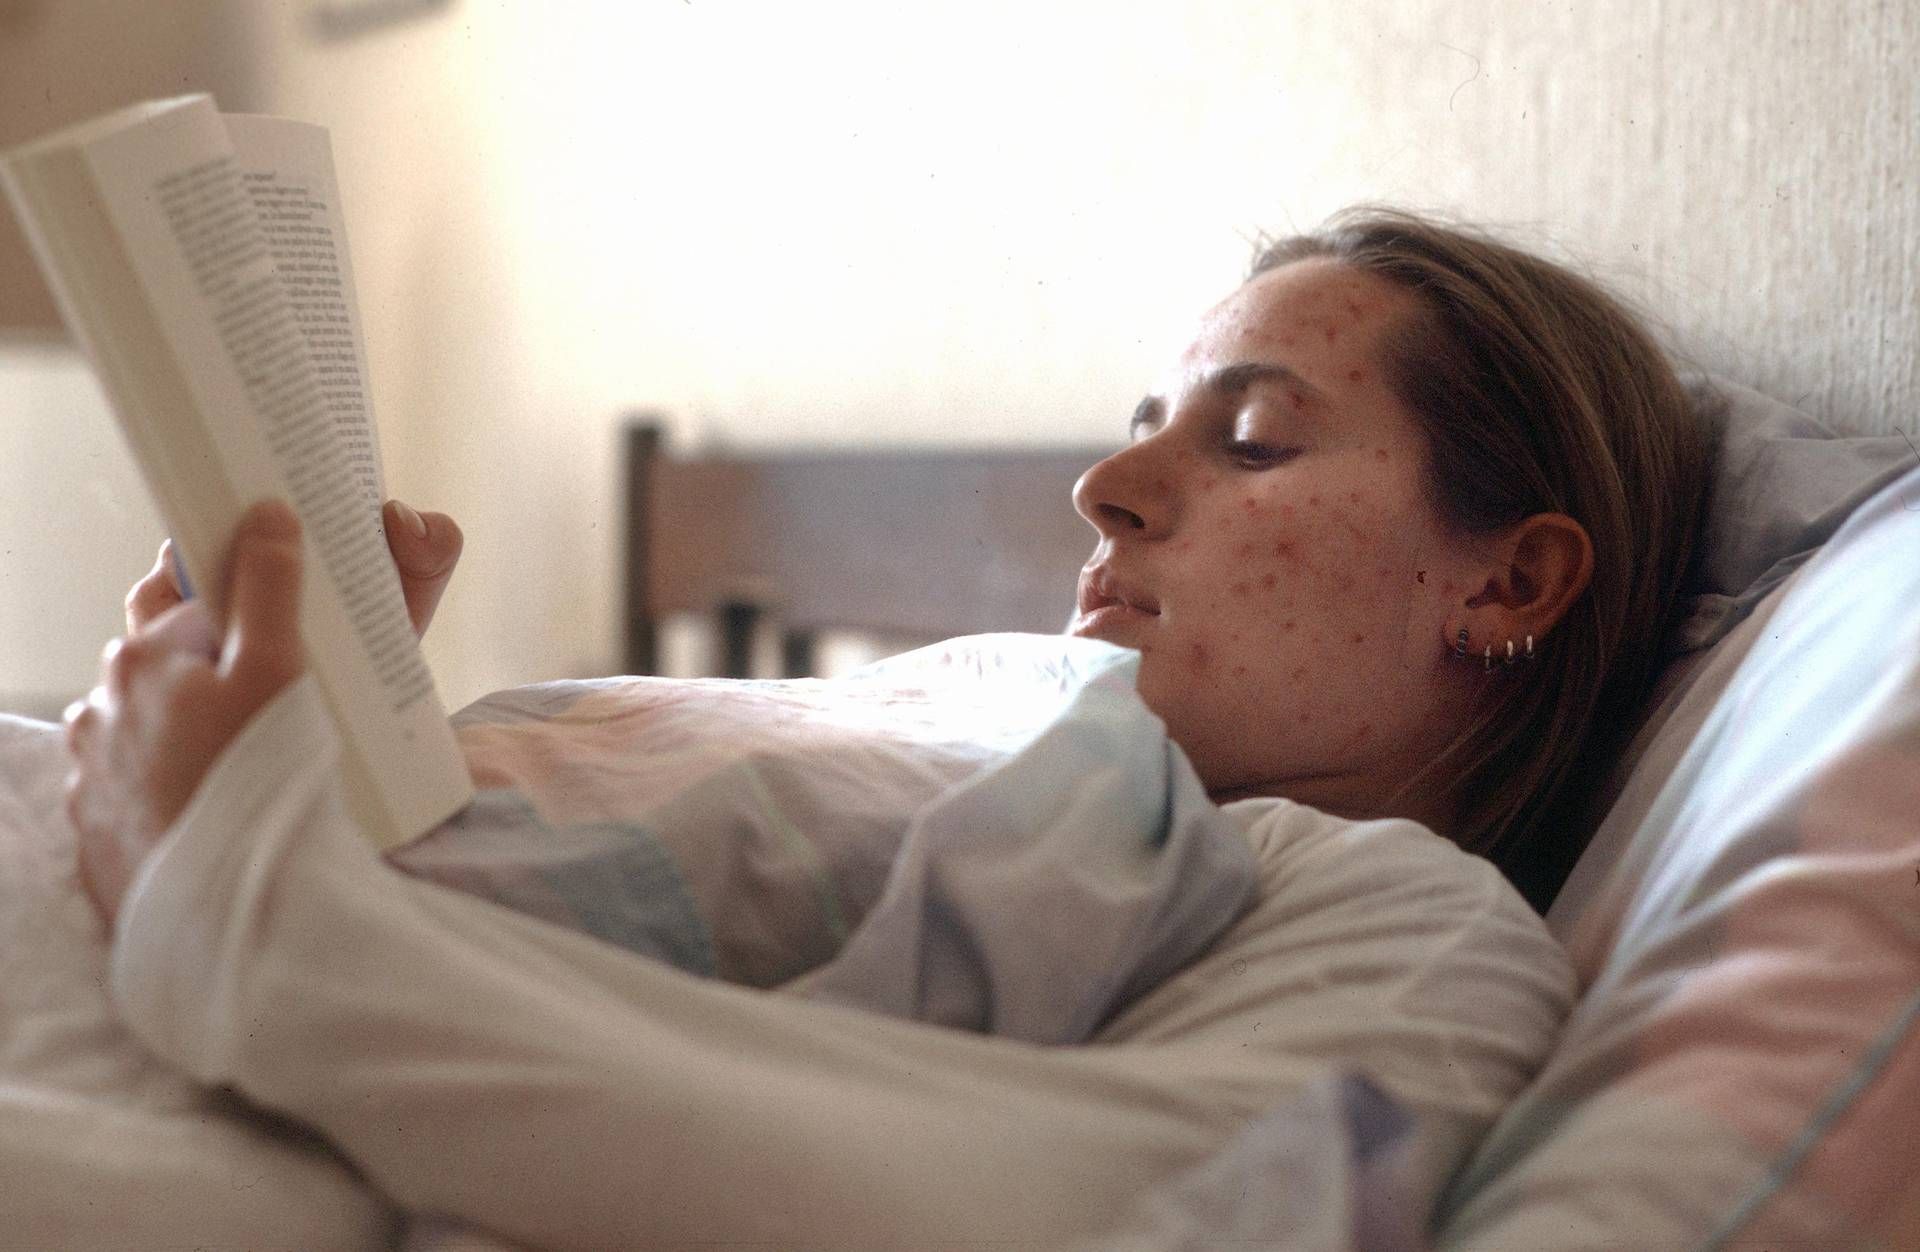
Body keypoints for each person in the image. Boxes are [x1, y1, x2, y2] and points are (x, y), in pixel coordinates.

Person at [62, 207, 1709, 1247]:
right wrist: (361, 736)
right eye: (1144, 427)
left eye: (1256, 441)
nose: (1106, 486)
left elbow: (1040, 1214)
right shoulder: (990, 725)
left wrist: (234, 883)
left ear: (1507, 581)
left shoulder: (1413, 942)